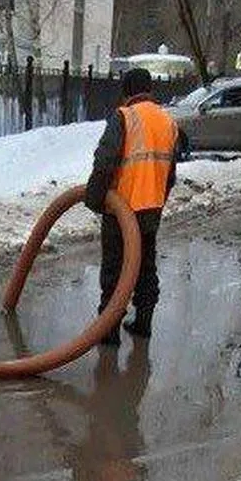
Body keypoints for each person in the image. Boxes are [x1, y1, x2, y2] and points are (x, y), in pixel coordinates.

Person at [85, 67, 183, 344]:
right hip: (151, 209)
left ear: (126, 91)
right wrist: (156, 200)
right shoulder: (167, 122)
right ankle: (143, 323)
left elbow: (105, 161)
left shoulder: (124, 117)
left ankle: (109, 331)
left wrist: (94, 199)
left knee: (115, 272)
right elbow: (170, 174)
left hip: (121, 210)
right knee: (144, 266)